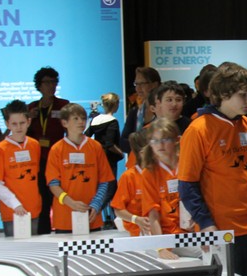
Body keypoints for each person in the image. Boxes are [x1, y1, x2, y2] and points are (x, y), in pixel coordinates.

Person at [178, 63, 247, 276]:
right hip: (220, 228)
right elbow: (187, 184)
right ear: (223, 94)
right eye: (243, 95)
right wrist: (205, 223)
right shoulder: (198, 129)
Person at [47, 103, 116, 234]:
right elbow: (53, 183)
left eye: (83, 118)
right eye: (76, 118)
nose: (81, 122)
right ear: (64, 123)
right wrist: (69, 202)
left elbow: (104, 180)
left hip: (91, 215)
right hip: (64, 217)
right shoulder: (56, 149)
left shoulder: (95, 147)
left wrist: (96, 204)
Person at [0, 100, 42, 237]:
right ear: (7, 124)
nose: (18, 127)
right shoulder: (1, 149)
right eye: (14, 124)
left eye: (22, 123)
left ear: (29, 121)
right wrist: (15, 204)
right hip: (12, 212)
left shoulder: (34, 145)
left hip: (33, 209)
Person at [26, 66, 70, 234]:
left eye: (54, 82)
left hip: (58, 158)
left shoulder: (63, 105)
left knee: (59, 195)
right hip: (39, 159)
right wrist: (29, 119)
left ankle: (63, 229)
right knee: (42, 198)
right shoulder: (32, 108)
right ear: (39, 85)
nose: (51, 85)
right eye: (47, 82)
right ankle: (43, 233)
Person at [140, 118, 186, 240]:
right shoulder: (149, 173)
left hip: (195, 231)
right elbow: (153, 212)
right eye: (154, 140)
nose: (160, 145)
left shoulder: (187, 163)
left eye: (165, 139)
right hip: (169, 235)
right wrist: (160, 245)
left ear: (177, 140)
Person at [111, 131, 152, 236]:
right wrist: (136, 219)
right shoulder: (128, 177)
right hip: (137, 233)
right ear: (142, 153)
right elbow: (118, 209)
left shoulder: (159, 174)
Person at [120, 66, 162, 154]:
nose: (138, 88)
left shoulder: (164, 111)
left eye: (142, 84)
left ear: (154, 84)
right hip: (137, 160)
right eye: (136, 84)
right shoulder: (135, 112)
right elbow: (123, 142)